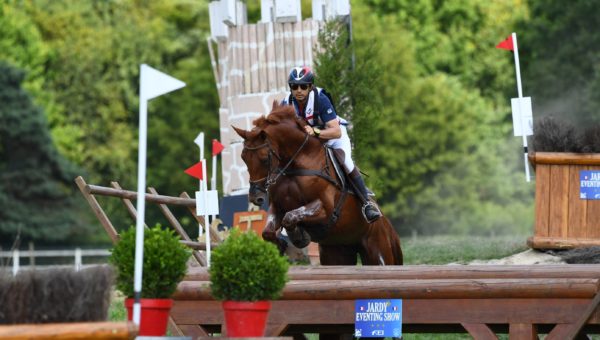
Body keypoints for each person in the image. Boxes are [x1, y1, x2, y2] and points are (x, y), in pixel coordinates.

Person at [281, 66, 381, 223]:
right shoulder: (286, 103)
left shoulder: (320, 99)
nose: (298, 90)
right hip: (310, 145)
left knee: (346, 161)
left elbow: (336, 131)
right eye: (294, 86)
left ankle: (367, 204)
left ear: (310, 86)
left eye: (303, 86)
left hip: (332, 137)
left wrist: (315, 132)